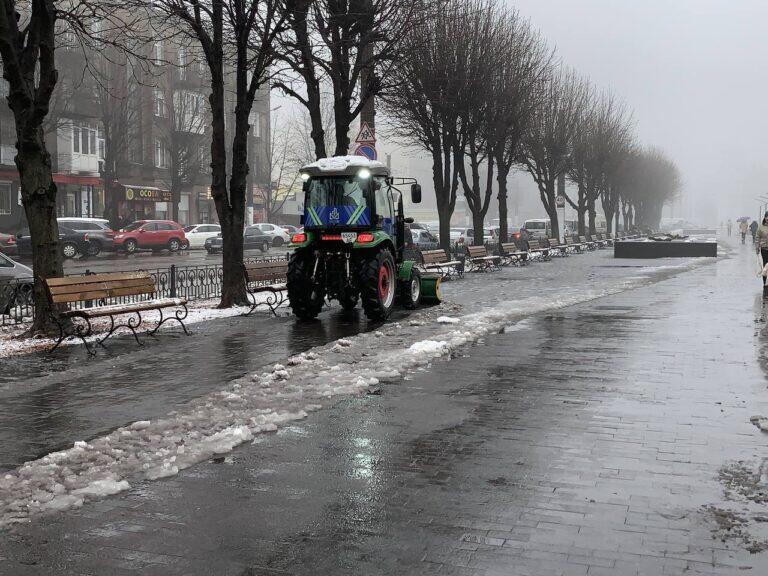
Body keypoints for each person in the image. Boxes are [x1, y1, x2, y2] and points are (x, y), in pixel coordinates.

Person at [757, 213, 768, 297]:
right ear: (764, 217)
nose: (767, 218)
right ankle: (765, 284)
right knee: (765, 267)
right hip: (764, 249)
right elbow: (757, 238)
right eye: (766, 217)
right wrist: (757, 248)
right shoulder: (761, 227)